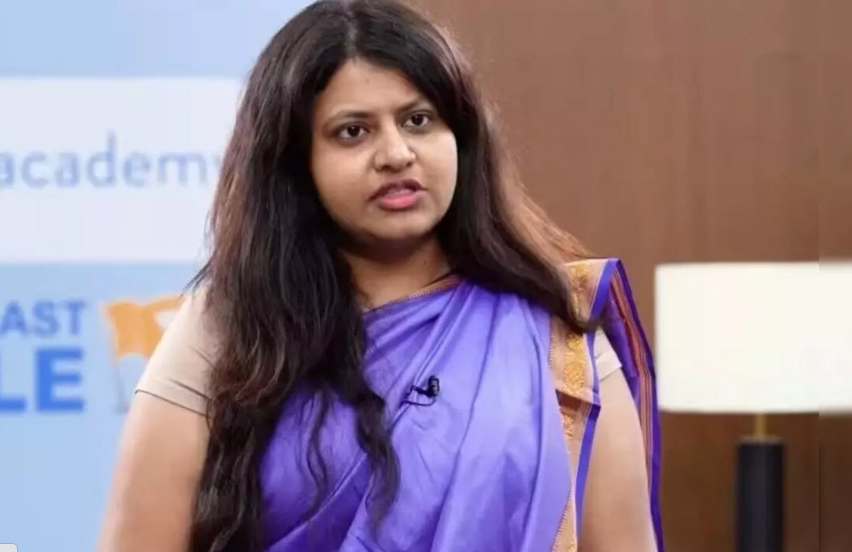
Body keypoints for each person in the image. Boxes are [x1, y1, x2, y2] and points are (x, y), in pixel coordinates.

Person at [97, 1, 662, 550]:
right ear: (296, 163)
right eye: (353, 131)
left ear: (462, 136)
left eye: (418, 121)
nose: (395, 153)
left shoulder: (556, 335)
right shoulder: (229, 327)